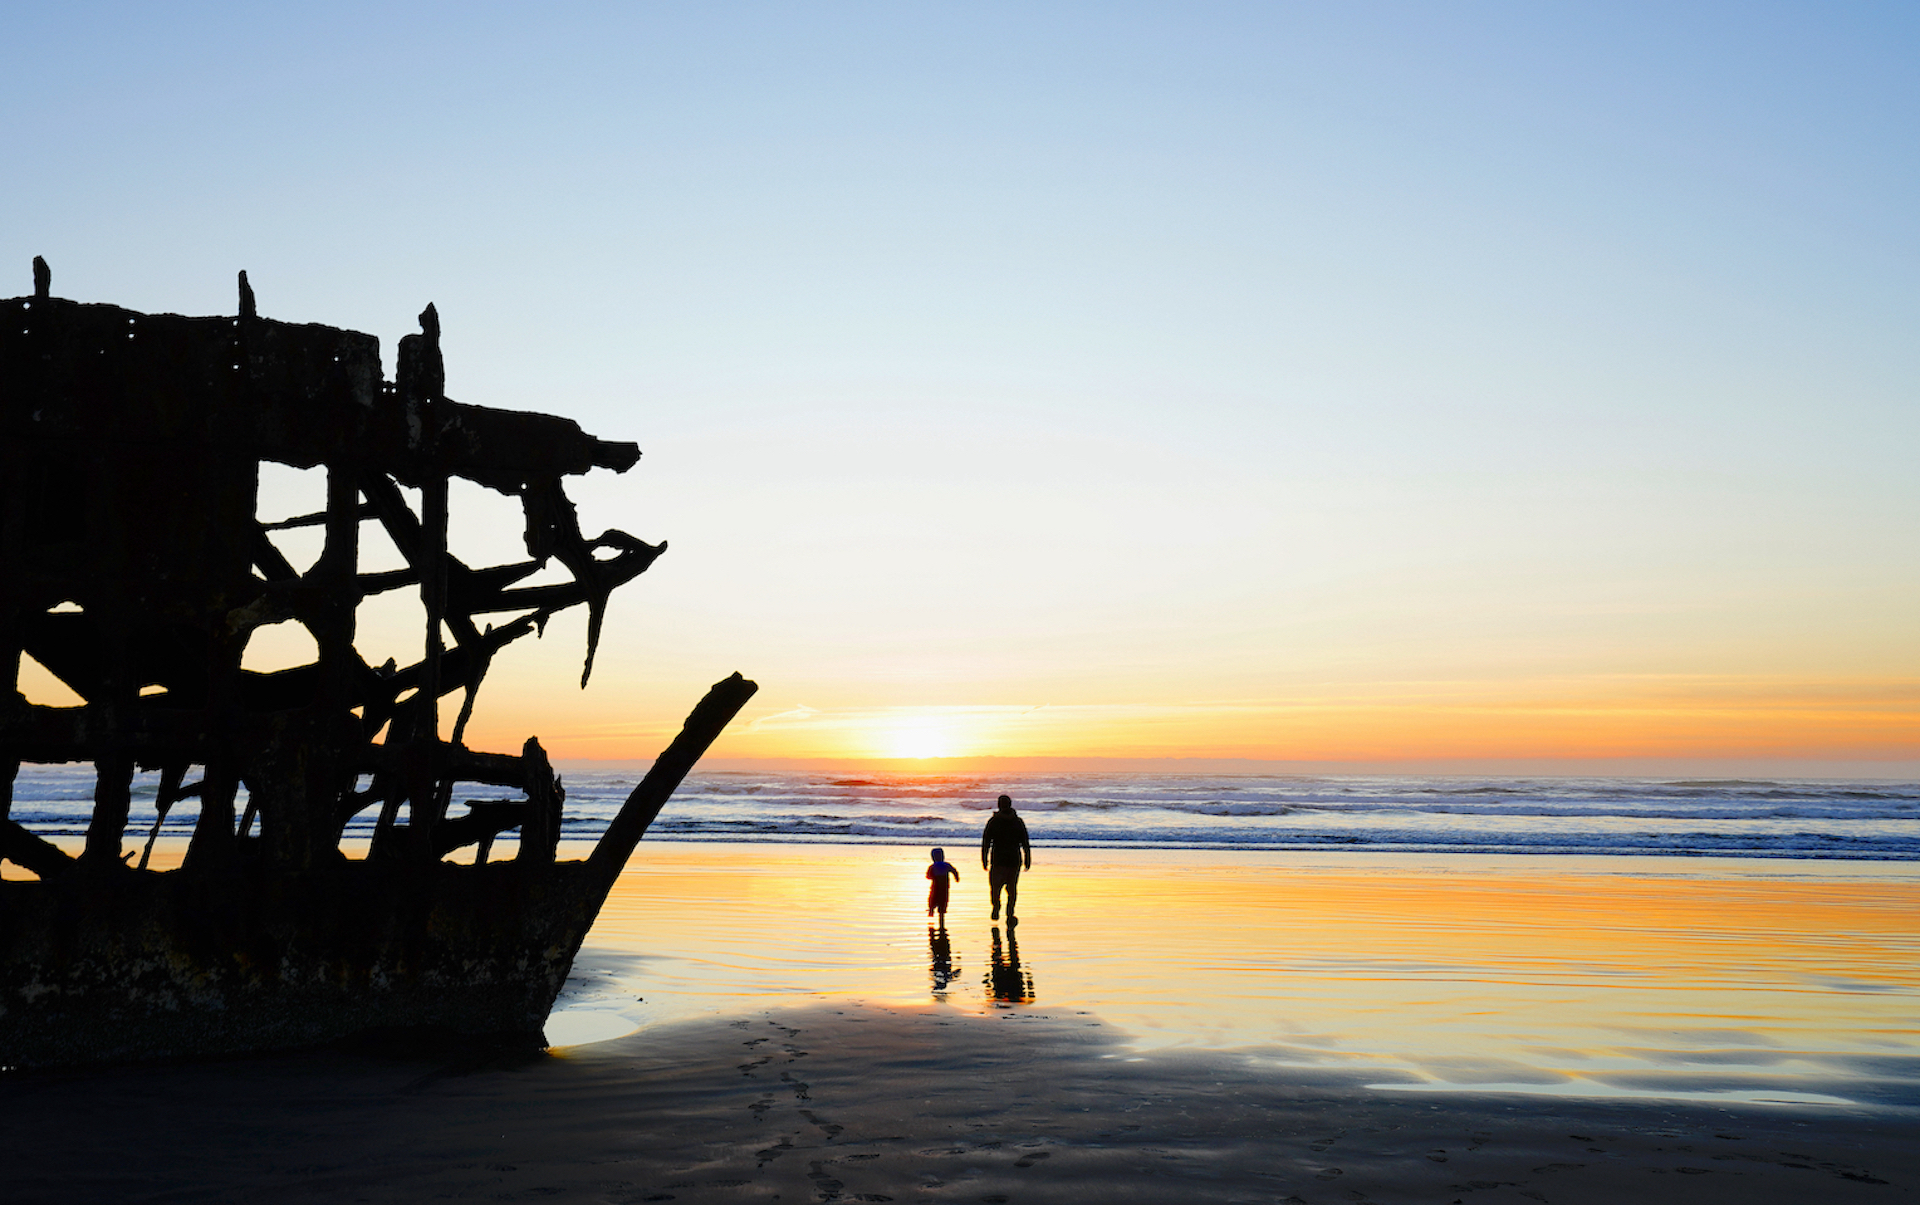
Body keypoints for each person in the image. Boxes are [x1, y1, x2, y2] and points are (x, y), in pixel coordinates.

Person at [980, 794, 1031, 921]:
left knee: (995, 888)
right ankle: (1010, 912)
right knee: (1012, 889)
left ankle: (996, 907)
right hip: (1014, 859)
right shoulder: (1018, 821)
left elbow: (986, 842)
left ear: (999, 805)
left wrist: (984, 858)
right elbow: (1025, 842)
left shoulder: (994, 821)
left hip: (998, 860)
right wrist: (1028, 858)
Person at [925, 847, 961, 919]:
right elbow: (954, 871)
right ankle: (941, 915)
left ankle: (931, 909)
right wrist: (957, 878)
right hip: (944, 886)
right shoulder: (946, 865)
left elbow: (928, 876)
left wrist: (932, 876)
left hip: (936, 885)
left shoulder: (932, 866)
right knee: (943, 901)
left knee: (933, 897)